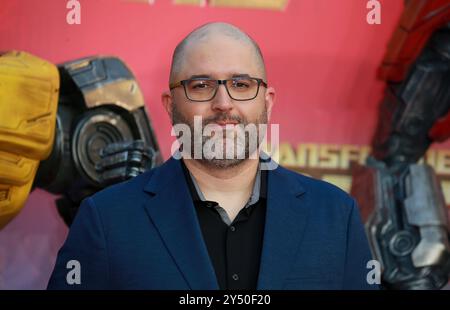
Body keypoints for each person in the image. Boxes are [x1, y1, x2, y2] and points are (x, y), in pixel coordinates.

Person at [47, 22, 376, 290]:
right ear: (170, 104)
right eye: (201, 86)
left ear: (268, 101)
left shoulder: (336, 216)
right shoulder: (106, 219)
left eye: (242, 84)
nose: (223, 103)